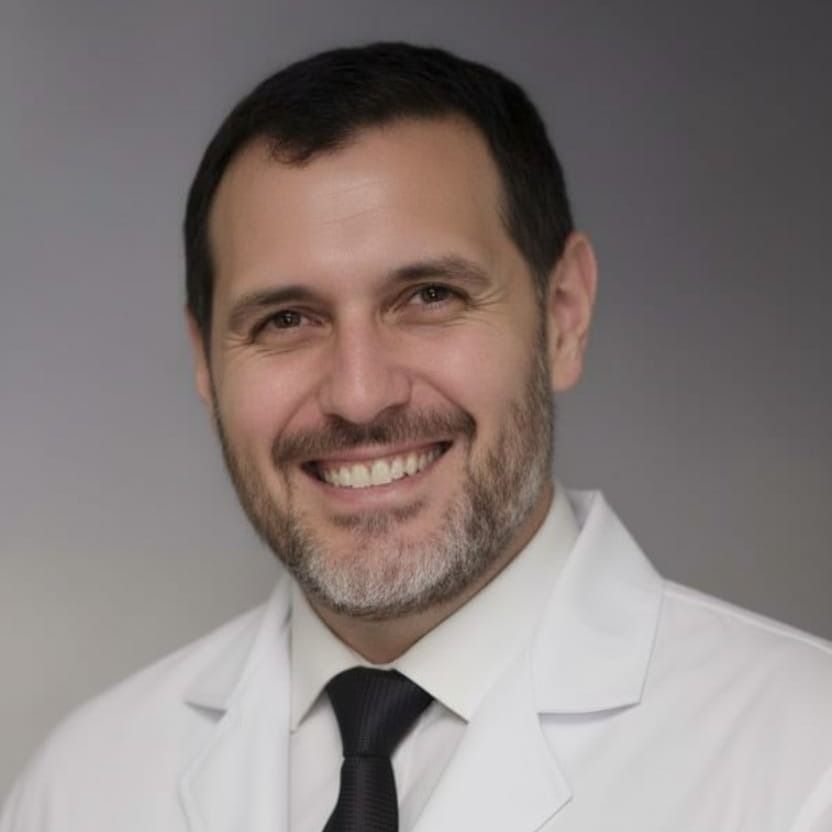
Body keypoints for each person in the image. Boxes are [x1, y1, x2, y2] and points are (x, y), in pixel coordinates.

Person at [2, 41, 831, 832]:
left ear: (564, 316)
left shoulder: (803, 763)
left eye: (431, 296)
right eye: (286, 319)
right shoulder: (82, 788)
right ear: (205, 361)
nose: (360, 396)